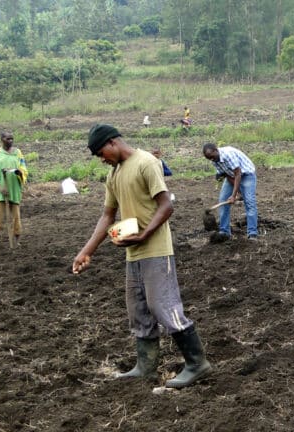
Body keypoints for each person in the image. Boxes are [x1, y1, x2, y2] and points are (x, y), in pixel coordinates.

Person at [73, 124, 211, 389]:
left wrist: (144, 235)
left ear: (112, 143)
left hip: (156, 248)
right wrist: (86, 251)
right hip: (133, 252)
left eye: (101, 153)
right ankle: (145, 366)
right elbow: (107, 216)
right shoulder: (114, 174)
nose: (102, 159)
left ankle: (197, 363)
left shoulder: (146, 162)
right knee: (138, 310)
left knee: (163, 305)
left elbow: (166, 205)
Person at [202, 143, 258, 241]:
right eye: (209, 158)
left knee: (249, 203)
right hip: (232, 176)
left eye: (212, 157)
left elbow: (238, 174)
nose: (211, 160)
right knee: (223, 200)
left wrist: (233, 195)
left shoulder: (228, 154)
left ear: (216, 150)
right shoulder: (214, 160)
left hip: (247, 175)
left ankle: (252, 233)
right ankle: (224, 232)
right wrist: (238, 192)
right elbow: (227, 175)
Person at [0, 131, 28, 244]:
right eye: (8, 139)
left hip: (14, 188)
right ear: (2, 140)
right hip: (0, 189)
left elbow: (23, 168)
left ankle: (17, 240)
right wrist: (0, 188)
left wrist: (19, 172)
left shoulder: (18, 153)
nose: (10, 141)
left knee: (16, 216)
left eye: (12, 139)